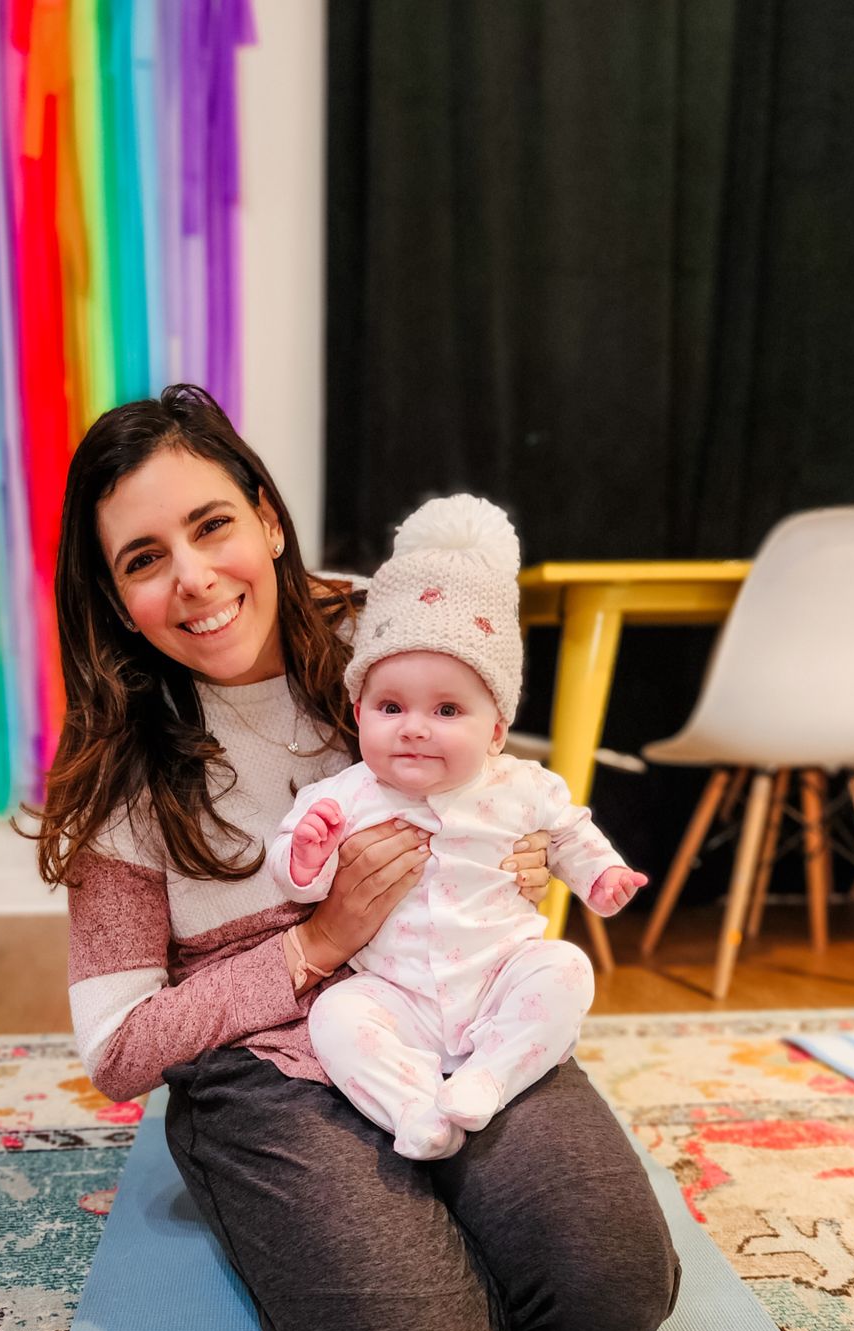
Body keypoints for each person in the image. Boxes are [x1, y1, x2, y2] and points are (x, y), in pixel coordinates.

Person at [31, 384, 680, 1331]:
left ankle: (431, 1213)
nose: (191, 577)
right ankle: (293, 1207)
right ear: (115, 596)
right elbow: (118, 1053)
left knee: (615, 1290)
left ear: (268, 519)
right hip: (267, 1066)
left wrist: (518, 851)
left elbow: (501, 776)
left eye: (211, 524)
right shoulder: (122, 781)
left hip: (449, 1017)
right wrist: (311, 945)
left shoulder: (385, 639)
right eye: (142, 559)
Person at [267, 495, 647, 1161]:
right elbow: (298, 885)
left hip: (498, 978)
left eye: (447, 709)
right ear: (359, 713)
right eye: (391, 706)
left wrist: (602, 875)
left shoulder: (523, 785)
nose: (414, 726)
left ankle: (489, 1078)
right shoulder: (346, 794)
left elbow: (569, 834)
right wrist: (307, 853)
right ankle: (413, 1109)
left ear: (496, 729)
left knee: (564, 967)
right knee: (336, 1016)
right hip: (397, 992)